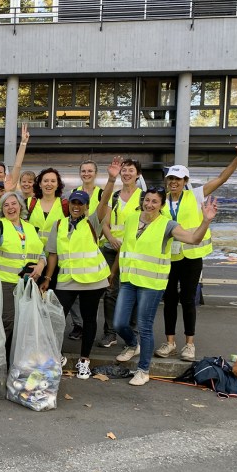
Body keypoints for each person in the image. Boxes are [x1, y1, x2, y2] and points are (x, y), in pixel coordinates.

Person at [156, 133, 237, 362]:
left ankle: (189, 344)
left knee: (188, 300)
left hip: (191, 257)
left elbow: (221, 179)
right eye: (170, 179)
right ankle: (170, 342)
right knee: (169, 300)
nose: (173, 182)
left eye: (178, 179)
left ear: (185, 181)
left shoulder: (196, 195)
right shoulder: (161, 200)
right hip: (168, 258)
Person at [110, 188, 219, 386]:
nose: (149, 204)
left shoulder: (167, 225)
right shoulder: (132, 219)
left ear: (161, 206)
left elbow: (193, 239)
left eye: (155, 202)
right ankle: (133, 344)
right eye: (147, 200)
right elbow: (125, 246)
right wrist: (114, 271)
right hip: (128, 280)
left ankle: (143, 370)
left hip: (151, 284)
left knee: (145, 326)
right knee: (118, 323)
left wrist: (206, 220)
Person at [40, 157, 122, 379]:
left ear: (86, 206)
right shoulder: (59, 224)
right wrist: (48, 278)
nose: (76, 207)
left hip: (92, 282)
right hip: (67, 281)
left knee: (88, 320)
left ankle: (84, 360)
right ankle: (57, 355)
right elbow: (54, 254)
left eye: (80, 204)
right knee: (57, 317)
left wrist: (112, 179)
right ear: (70, 205)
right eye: (73, 203)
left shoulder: (92, 222)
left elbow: (104, 202)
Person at [0, 192, 46, 361]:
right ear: (2, 209)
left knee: (24, 323)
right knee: (7, 322)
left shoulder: (31, 228)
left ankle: (16, 360)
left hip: (27, 284)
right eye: (6, 205)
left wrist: (41, 265)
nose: (11, 207)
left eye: (14, 204)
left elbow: (41, 253)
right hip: (4, 282)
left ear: (20, 206)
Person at [98, 158, 143, 348]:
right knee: (110, 291)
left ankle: (131, 332)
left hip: (133, 251)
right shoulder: (115, 197)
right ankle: (110, 332)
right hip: (111, 248)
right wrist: (110, 239)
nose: (126, 173)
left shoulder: (143, 198)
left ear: (138, 175)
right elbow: (104, 222)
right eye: (124, 170)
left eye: (131, 170)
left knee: (133, 291)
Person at [66, 159, 105, 341]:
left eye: (90, 170)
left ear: (95, 173)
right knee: (71, 291)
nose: (86, 173)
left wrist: (109, 238)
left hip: (96, 247)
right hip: (74, 248)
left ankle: (99, 328)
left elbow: (102, 220)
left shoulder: (102, 194)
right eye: (83, 170)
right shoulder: (73, 193)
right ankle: (78, 325)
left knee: (92, 293)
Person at [28, 167, 68, 252]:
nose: (49, 184)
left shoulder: (65, 205)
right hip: (32, 255)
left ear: (58, 185)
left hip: (56, 256)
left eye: (53, 181)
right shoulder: (29, 203)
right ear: (40, 184)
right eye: (45, 181)